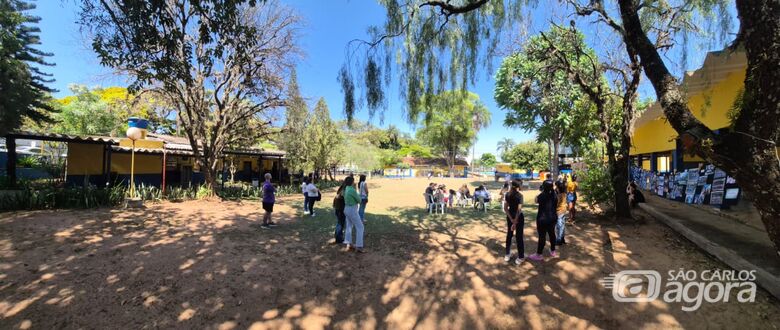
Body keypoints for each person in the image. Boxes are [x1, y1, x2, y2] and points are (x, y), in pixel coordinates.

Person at [529, 181, 558, 261]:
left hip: (542, 219)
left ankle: (539, 254)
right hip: (552, 218)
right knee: (552, 234)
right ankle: (553, 251)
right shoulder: (554, 195)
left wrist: (541, 191)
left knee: (542, 236)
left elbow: (535, 200)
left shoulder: (541, 195)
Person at [503, 179, 525, 264]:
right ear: (519, 186)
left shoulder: (507, 194)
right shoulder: (520, 196)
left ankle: (507, 255)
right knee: (519, 237)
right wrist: (515, 220)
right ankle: (521, 257)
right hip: (518, 218)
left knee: (509, 235)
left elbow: (505, 208)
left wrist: (511, 219)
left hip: (510, 217)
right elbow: (519, 210)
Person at [343, 176, 365, 253]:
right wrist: (356, 190)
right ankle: (359, 246)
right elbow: (359, 200)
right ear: (352, 182)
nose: (354, 182)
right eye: (353, 181)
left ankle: (348, 244)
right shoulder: (352, 190)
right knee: (360, 227)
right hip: (352, 209)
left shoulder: (347, 188)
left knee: (349, 226)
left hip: (347, 209)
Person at [555, 181, 568, 245]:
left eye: (557, 188)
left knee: (559, 226)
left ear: (559, 189)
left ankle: (559, 239)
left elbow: (556, 204)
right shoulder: (565, 194)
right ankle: (562, 238)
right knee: (562, 225)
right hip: (564, 211)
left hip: (559, 211)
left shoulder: (559, 195)